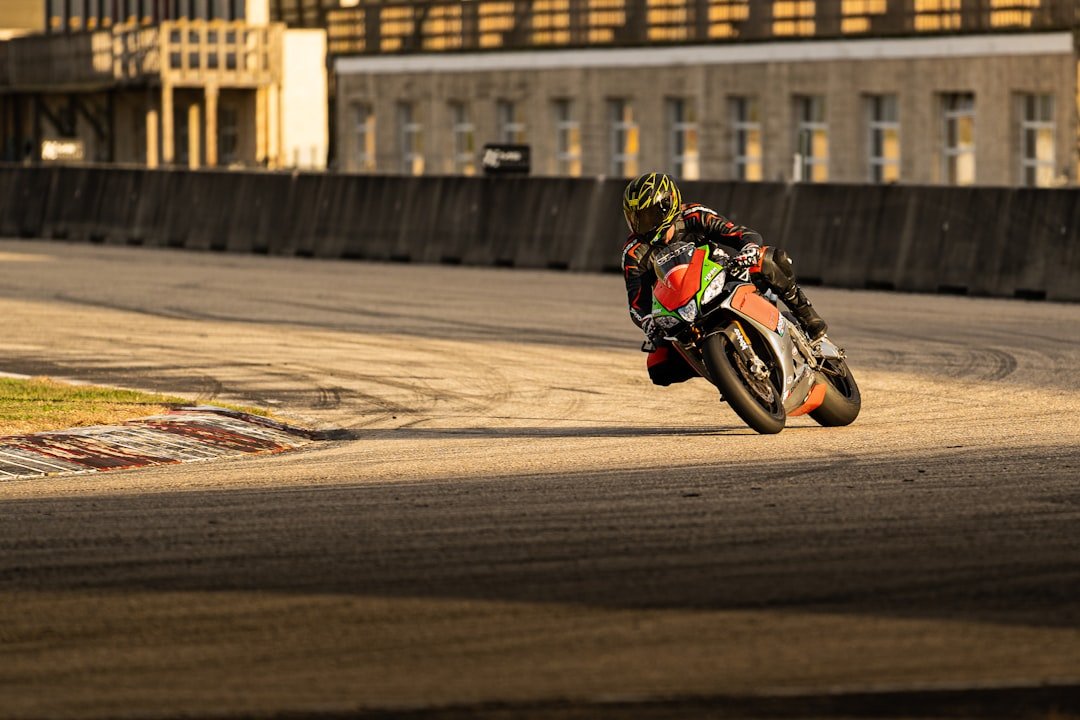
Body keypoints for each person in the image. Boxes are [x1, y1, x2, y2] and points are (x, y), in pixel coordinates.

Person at [621, 172, 828, 386]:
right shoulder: (634, 252)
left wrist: (749, 249)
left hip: (723, 277)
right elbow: (637, 303)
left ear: (667, 205)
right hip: (682, 307)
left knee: (768, 259)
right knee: (658, 367)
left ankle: (807, 317)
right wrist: (647, 322)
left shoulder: (693, 215)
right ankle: (726, 371)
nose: (641, 224)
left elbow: (738, 233)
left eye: (647, 216)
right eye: (635, 217)